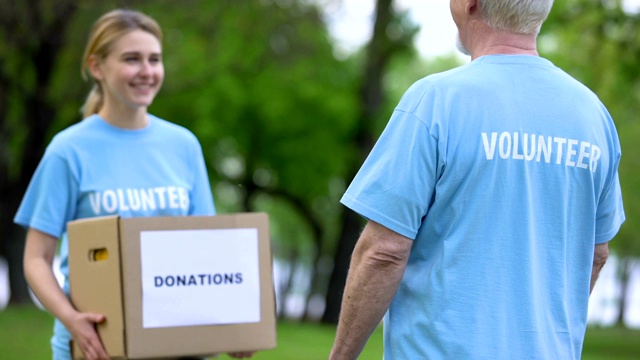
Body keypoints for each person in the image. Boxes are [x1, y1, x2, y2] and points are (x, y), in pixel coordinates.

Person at [329, 0, 625, 359]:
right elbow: (596, 253)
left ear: (469, 3)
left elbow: (384, 252)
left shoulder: (434, 102)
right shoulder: (592, 116)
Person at [14, 9, 253, 360]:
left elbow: (205, 251)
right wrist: (71, 318)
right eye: (132, 59)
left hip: (172, 344)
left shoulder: (183, 145)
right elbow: (37, 258)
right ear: (98, 67)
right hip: (95, 346)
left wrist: (228, 329)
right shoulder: (68, 150)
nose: (147, 71)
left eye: (154, 59)